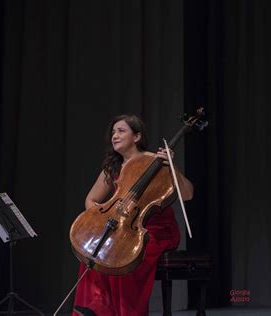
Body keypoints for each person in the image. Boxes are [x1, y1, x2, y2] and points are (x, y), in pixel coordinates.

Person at [73, 114, 194, 316]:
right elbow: (90, 200)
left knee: (124, 256)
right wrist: (101, 215)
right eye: (113, 132)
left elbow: (188, 194)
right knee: (93, 252)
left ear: (136, 137)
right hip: (122, 227)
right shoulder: (111, 169)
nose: (115, 136)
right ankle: (97, 308)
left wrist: (171, 167)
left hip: (153, 230)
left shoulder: (154, 162)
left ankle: (125, 312)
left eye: (121, 131)